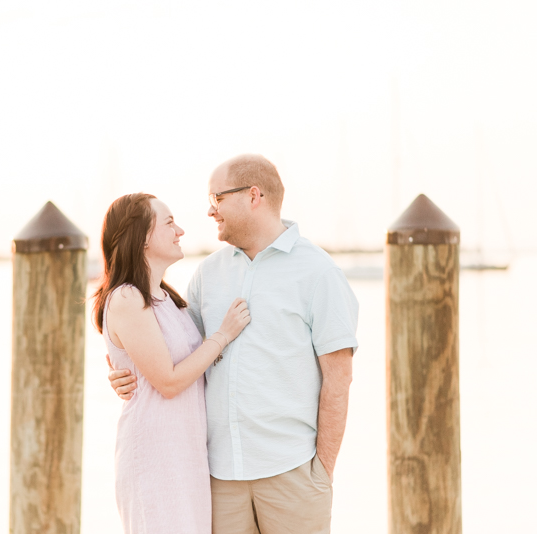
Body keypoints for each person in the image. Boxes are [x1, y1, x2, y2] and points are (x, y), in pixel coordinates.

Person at [108, 155, 359, 533]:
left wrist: (322, 470)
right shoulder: (209, 274)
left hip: (291, 472)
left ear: (253, 196)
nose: (210, 211)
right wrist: (119, 371)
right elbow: (174, 350)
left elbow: (338, 378)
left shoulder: (319, 273)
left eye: (217, 198)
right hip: (217, 476)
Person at [92, 192, 251, 534]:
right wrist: (223, 335)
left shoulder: (167, 299)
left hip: (185, 454)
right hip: (155, 456)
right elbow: (168, 381)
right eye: (168, 223)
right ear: (142, 237)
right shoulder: (126, 297)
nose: (180, 230)